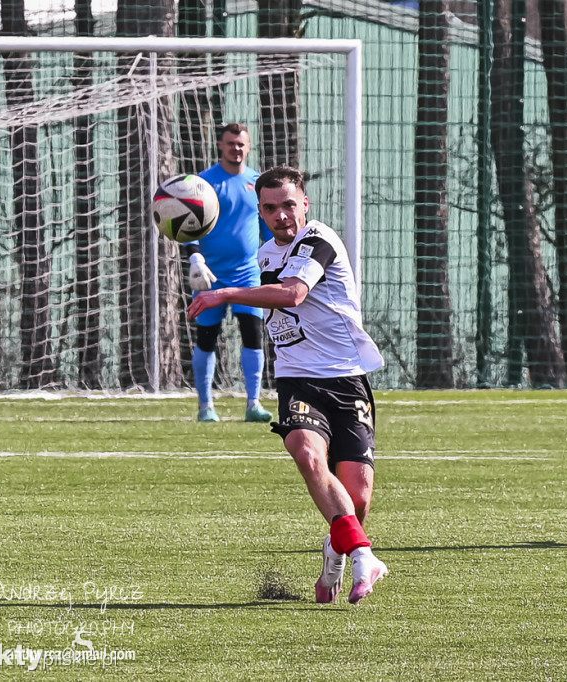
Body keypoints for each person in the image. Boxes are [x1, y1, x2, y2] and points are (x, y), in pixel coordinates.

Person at [187, 166, 388, 604]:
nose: (281, 215)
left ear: (305, 205)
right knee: (305, 451)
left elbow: (293, 293)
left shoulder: (318, 240)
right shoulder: (262, 256)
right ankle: (363, 555)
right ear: (260, 211)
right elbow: (268, 296)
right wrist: (216, 282)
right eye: (271, 208)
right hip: (297, 380)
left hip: (346, 379)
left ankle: (336, 549)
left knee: (357, 499)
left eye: (288, 205)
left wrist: (223, 294)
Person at [186, 122, 274, 423]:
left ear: (248, 147)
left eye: (241, 144)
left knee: (253, 334)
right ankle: (206, 406)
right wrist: (195, 256)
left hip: (248, 274)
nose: (236, 148)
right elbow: (188, 222)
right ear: (221, 146)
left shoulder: (258, 183)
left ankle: (253, 403)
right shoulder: (204, 183)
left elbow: (268, 230)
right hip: (210, 276)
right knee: (207, 338)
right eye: (230, 143)